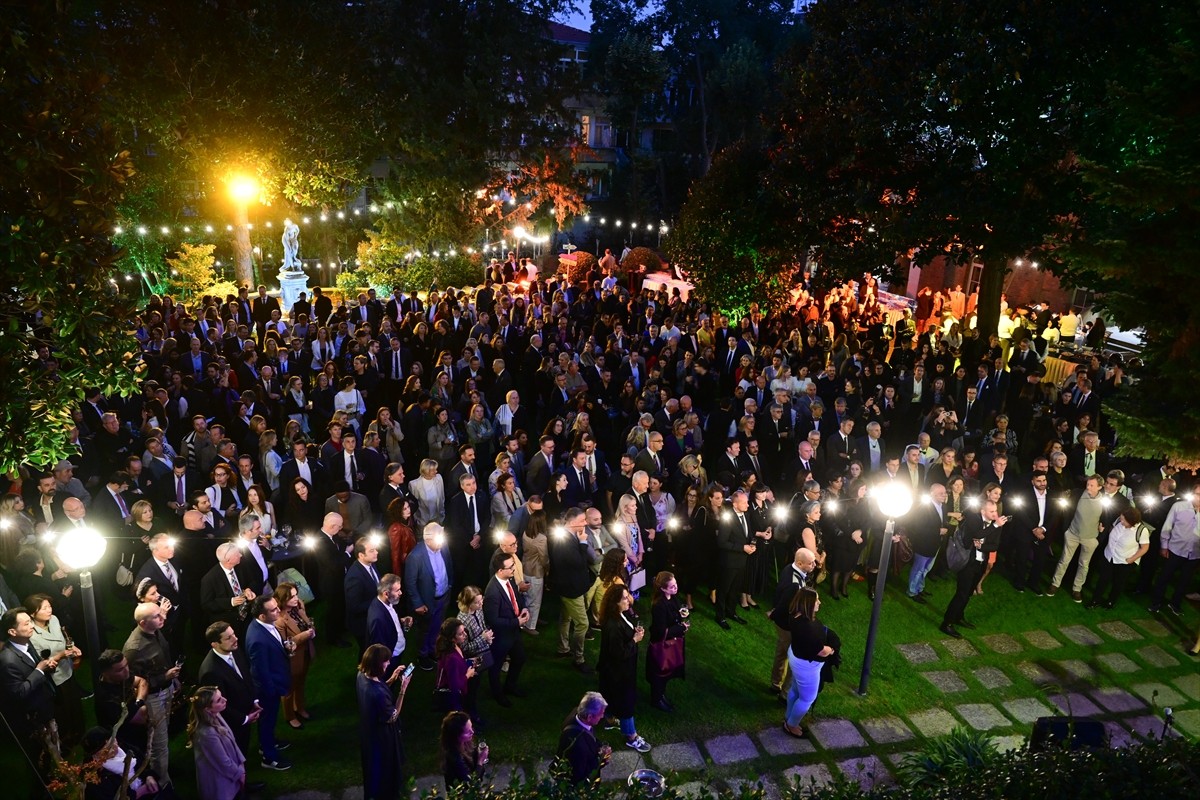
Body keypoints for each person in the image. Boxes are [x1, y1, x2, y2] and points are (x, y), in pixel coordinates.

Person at [123, 602, 181, 785]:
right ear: (142, 623)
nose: (162, 617)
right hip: (153, 697)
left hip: (166, 689)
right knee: (158, 743)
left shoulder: (155, 631)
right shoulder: (133, 648)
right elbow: (130, 681)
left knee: (163, 736)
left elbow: (164, 654)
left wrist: (172, 679)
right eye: (157, 616)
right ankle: (161, 784)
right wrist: (164, 676)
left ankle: (163, 774)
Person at [0, 607, 60, 770]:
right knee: (39, 758)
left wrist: (47, 667)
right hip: (32, 720)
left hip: (45, 708)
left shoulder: (26, 643)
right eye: (26, 624)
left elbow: (34, 668)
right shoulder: (7, 661)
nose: (32, 626)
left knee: (52, 750)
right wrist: (39, 670)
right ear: (12, 631)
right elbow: (19, 693)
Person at [940, 499, 1006, 638]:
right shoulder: (974, 520)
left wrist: (981, 546)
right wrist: (994, 526)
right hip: (967, 563)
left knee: (969, 593)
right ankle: (947, 623)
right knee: (961, 594)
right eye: (992, 511)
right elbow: (976, 534)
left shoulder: (996, 525)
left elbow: (995, 545)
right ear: (983, 511)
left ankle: (959, 616)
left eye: (996, 511)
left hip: (980, 564)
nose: (995, 514)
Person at [26, 593, 85, 749]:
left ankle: (81, 735)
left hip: (67, 671)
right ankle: (66, 744)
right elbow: (42, 662)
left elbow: (64, 639)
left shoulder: (54, 620)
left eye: (49, 606)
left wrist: (72, 648)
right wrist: (61, 655)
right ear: (33, 613)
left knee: (75, 707)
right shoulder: (32, 635)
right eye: (44, 608)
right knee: (63, 711)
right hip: (54, 678)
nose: (49, 610)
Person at [597, 583, 650, 752]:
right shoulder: (613, 625)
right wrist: (634, 640)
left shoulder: (618, 616)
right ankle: (631, 736)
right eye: (625, 598)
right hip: (618, 672)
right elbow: (618, 654)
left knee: (610, 695)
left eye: (628, 596)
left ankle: (609, 719)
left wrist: (633, 634)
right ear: (615, 603)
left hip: (613, 670)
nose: (629, 600)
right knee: (626, 702)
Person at [196, 621, 261, 759]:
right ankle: (240, 780)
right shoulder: (211, 671)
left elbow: (246, 676)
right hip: (231, 724)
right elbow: (218, 706)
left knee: (243, 749)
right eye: (228, 638)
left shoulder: (233, 649)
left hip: (245, 713)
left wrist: (254, 700)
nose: (235, 639)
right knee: (234, 755)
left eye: (234, 634)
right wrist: (244, 719)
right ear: (215, 644)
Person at [357, 644, 412, 800]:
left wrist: (392, 679)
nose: (389, 663)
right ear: (377, 664)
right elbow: (392, 716)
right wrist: (402, 690)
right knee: (386, 774)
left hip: (368, 733)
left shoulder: (361, 676)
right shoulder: (377, 694)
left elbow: (379, 690)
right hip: (382, 739)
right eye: (386, 661)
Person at [245, 595, 292, 771]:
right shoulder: (257, 639)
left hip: (273, 684)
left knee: (269, 721)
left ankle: (269, 743)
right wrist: (272, 691)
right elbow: (260, 671)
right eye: (273, 610)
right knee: (267, 721)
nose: (278, 610)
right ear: (262, 616)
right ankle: (268, 757)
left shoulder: (264, 626)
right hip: (267, 690)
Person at [783, 588, 837, 738]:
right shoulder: (807, 627)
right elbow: (822, 651)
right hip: (806, 666)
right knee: (807, 698)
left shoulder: (795, 615)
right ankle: (791, 725)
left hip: (796, 656)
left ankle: (788, 717)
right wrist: (832, 649)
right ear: (807, 604)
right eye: (816, 600)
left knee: (795, 689)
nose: (819, 602)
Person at [550, 507, 595, 674]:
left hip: (572, 585)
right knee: (582, 623)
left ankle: (563, 648)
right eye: (583, 520)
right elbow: (578, 563)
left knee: (566, 618)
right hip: (571, 588)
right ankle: (579, 658)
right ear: (573, 522)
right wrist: (583, 543)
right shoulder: (564, 541)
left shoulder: (569, 536)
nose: (585, 523)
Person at [482, 549, 529, 707]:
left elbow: (516, 598)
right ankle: (498, 694)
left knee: (520, 658)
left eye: (513, 565)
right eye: (510, 567)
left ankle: (510, 686)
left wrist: (523, 608)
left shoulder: (509, 581)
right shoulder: (492, 592)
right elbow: (493, 620)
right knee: (495, 667)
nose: (514, 569)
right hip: (501, 636)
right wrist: (517, 622)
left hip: (513, 633)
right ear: (500, 570)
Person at [405, 522, 454, 671]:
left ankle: (434, 650)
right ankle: (423, 654)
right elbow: (410, 583)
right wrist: (418, 603)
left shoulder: (443, 547)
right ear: (427, 539)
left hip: (443, 596)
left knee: (438, 626)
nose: (442, 542)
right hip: (427, 602)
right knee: (424, 629)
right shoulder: (415, 556)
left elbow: (449, 565)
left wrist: (449, 584)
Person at [768, 548, 816, 699]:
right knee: (795, 659)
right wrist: (774, 614)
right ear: (800, 563)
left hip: (783, 623)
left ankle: (775, 684)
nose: (814, 565)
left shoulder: (789, 568)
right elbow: (784, 605)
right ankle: (785, 694)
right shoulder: (794, 584)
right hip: (788, 626)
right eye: (810, 563)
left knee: (781, 653)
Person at [187, 686, 247, 800]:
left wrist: (241, 765)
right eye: (219, 700)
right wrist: (239, 774)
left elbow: (233, 741)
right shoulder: (206, 733)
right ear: (207, 709)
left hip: (232, 773)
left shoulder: (216, 715)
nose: (225, 700)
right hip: (221, 782)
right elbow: (222, 761)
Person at [273, 582, 317, 729]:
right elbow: (284, 644)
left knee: (300, 683)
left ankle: (300, 708)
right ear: (282, 599)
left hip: (304, 654)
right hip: (291, 659)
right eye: (291, 596)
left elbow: (307, 623)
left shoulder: (297, 609)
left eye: (296, 594)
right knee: (289, 689)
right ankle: (290, 716)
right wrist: (304, 636)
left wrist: (310, 627)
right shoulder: (279, 620)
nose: (296, 598)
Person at [1088, 507, 1151, 609]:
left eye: (1124, 520)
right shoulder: (1118, 520)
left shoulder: (1142, 530)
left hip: (1124, 561)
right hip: (1109, 556)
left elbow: (1145, 547)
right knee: (1102, 580)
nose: (1121, 521)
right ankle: (1095, 600)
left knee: (1118, 583)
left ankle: (1111, 602)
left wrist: (1132, 559)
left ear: (1132, 521)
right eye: (1121, 518)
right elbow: (1112, 529)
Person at [646, 571, 689, 712]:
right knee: (660, 673)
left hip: (671, 643)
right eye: (671, 587)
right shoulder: (659, 605)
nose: (675, 588)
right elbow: (660, 631)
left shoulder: (673, 598)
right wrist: (681, 627)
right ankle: (656, 699)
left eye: (675, 585)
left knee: (666, 673)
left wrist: (682, 614)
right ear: (663, 589)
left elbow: (676, 613)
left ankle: (660, 695)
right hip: (662, 646)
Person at [714, 489, 754, 630]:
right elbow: (722, 542)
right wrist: (742, 547)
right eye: (744, 502)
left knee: (735, 589)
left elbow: (747, 534)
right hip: (729, 562)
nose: (748, 505)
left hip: (742, 561)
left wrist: (751, 544)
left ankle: (731, 612)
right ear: (735, 505)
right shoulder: (728, 518)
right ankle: (720, 616)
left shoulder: (746, 515)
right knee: (724, 589)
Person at [555, 691, 613, 785]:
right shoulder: (578, 746)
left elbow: (590, 735)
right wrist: (601, 759)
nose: (602, 717)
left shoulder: (576, 715)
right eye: (600, 714)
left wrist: (599, 746)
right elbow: (581, 774)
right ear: (590, 717)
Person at [433, 617, 479, 719]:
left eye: (464, 631)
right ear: (452, 638)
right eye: (461, 633)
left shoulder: (454, 646)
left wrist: (469, 662)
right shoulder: (451, 658)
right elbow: (455, 685)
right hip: (454, 697)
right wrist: (468, 674)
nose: (465, 635)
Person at [440, 710, 488, 790]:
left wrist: (480, 758)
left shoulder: (467, 744)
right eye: (467, 732)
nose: (472, 732)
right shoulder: (454, 757)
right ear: (456, 736)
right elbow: (470, 785)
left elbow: (479, 776)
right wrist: (480, 761)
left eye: (471, 727)